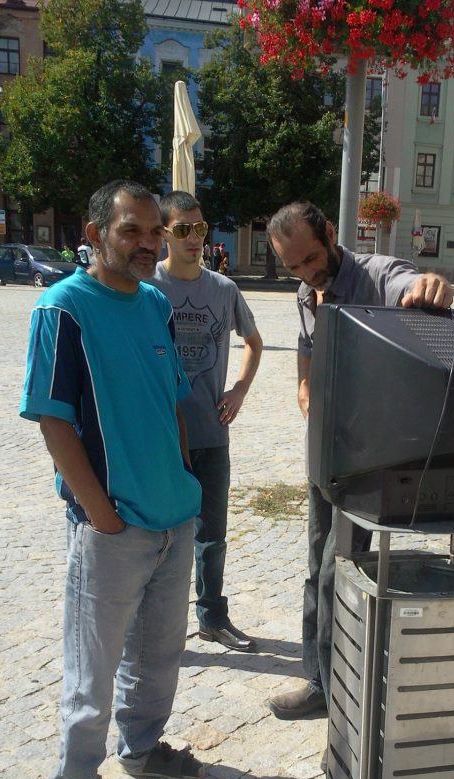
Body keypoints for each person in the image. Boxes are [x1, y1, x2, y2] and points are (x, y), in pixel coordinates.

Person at [19, 180, 204, 779]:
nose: (150, 243)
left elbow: (173, 399)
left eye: (156, 231)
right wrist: (98, 513)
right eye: (133, 230)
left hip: (174, 515)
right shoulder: (62, 309)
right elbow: (52, 417)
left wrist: (184, 479)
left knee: (158, 654)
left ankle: (144, 747)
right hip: (113, 526)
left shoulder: (155, 303)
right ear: (96, 233)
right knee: (91, 668)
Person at [265, 201, 453, 728]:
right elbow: (307, 344)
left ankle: (339, 683)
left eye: (310, 259)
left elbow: (414, 284)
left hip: (369, 459)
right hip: (325, 452)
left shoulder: (376, 276)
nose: (306, 274)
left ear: (329, 232)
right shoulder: (307, 293)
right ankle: (320, 677)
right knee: (314, 566)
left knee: (336, 569)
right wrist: (303, 383)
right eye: (294, 267)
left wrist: (434, 284)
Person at [149, 190, 263, 652]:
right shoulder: (148, 289)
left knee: (211, 536)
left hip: (212, 435)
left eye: (200, 228)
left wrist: (238, 390)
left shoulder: (224, 290)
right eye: (183, 229)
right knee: (158, 539)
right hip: (162, 438)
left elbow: (254, 342)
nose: (195, 237)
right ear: (164, 236)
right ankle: (157, 630)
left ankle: (212, 617)